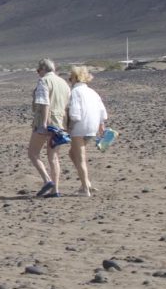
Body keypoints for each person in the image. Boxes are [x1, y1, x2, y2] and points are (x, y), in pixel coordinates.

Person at [29, 58, 71, 198]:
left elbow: (44, 102)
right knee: (53, 157)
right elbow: (67, 105)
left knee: (33, 153)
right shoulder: (64, 83)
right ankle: (56, 190)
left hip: (45, 122)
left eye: (38, 71)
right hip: (59, 122)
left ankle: (47, 180)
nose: (38, 73)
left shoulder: (44, 81)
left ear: (42, 69)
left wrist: (45, 122)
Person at [66, 65, 108, 197]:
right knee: (73, 154)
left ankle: (85, 188)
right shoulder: (93, 92)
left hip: (80, 126)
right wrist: (101, 126)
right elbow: (102, 111)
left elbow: (75, 113)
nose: (69, 80)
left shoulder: (75, 92)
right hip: (92, 126)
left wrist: (68, 127)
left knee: (80, 157)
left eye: (70, 77)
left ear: (75, 78)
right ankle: (87, 183)